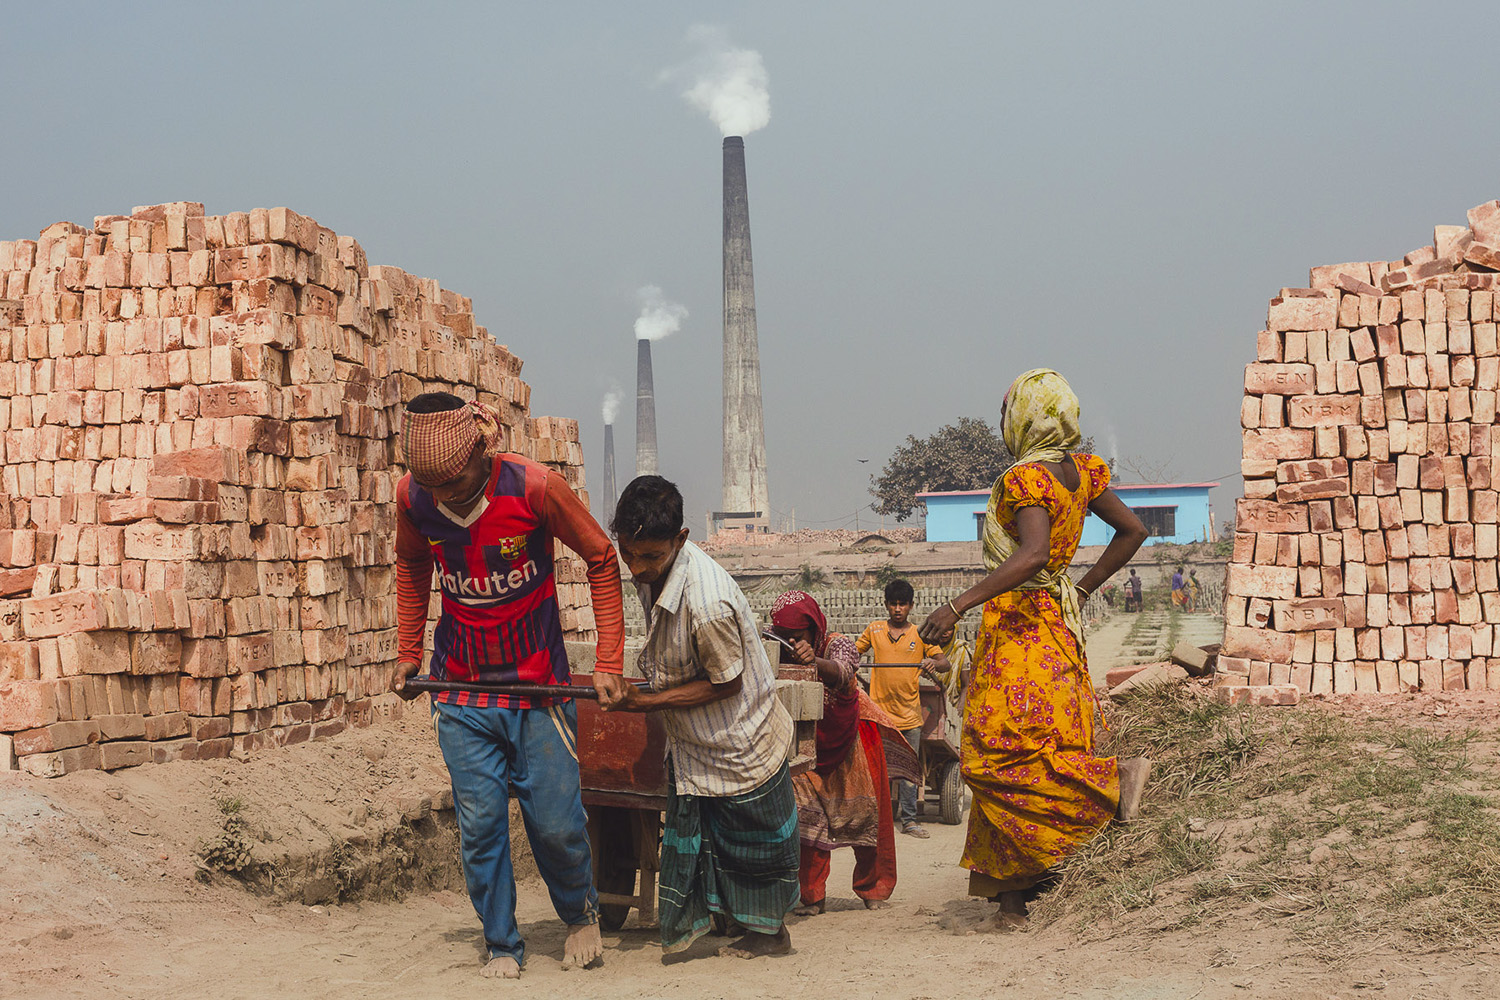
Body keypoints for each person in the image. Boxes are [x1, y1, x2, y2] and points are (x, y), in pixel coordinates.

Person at [390, 393, 623, 978]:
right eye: (434, 487)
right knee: (481, 823)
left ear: (482, 448)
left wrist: (611, 662)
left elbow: (600, 557)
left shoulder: (535, 488)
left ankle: (579, 915)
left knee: (556, 822)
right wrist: (409, 651)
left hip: (539, 689)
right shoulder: (413, 499)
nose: (445, 496)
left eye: (455, 481)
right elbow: (413, 567)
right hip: (462, 690)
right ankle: (501, 943)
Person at [918, 368, 1151, 929]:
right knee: (1047, 745)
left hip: (1021, 636)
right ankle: (1016, 899)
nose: (1003, 425)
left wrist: (956, 606)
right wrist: (1083, 588)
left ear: (1027, 416)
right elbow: (1134, 531)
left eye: (1006, 413)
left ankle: (1111, 783)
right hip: (1061, 633)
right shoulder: (1081, 472)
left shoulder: (1028, 479)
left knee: (992, 756)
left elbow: (1032, 555)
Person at [596, 476, 798, 959]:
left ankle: (770, 934)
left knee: (752, 846)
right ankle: (733, 923)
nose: (638, 568)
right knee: (710, 846)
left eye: (650, 557)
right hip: (697, 744)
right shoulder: (656, 577)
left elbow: (725, 682)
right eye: (628, 554)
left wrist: (640, 703)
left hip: (738, 739)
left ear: (681, 539)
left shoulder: (706, 602)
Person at [770, 590, 920, 916]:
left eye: (797, 637)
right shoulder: (778, 652)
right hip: (806, 743)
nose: (791, 643)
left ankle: (873, 887)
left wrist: (815, 662)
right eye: (784, 638)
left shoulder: (838, 643)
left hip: (853, 739)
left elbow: (844, 670)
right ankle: (811, 896)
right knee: (807, 820)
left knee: (868, 816)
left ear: (814, 630)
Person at [855, 578, 950, 839]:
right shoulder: (874, 630)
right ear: (886, 605)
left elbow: (945, 663)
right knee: (878, 769)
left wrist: (932, 661)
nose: (898, 609)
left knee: (909, 770)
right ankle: (880, 820)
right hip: (879, 715)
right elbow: (854, 653)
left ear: (910, 606)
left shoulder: (919, 634)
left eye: (903, 604)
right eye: (893, 604)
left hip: (910, 716)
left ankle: (909, 821)